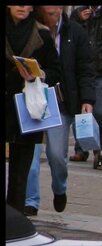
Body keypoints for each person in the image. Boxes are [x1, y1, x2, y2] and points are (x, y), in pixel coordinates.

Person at [24, 6, 95, 217]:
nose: (52, 14)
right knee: (31, 156)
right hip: (32, 99)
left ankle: (59, 187)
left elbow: (85, 67)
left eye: (55, 10)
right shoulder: (32, 29)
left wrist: (87, 99)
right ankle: (31, 201)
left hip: (60, 102)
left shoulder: (75, 32)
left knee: (56, 155)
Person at [5, 5, 62, 214]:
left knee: (20, 174)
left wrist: (39, 74)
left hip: (27, 108)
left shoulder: (42, 34)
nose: (22, 7)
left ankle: (15, 221)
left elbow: (56, 70)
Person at [69, 5, 102, 162]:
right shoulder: (77, 14)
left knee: (98, 111)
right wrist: (79, 20)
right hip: (80, 71)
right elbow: (69, 36)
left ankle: (97, 146)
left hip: (101, 71)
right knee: (80, 113)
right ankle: (81, 149)